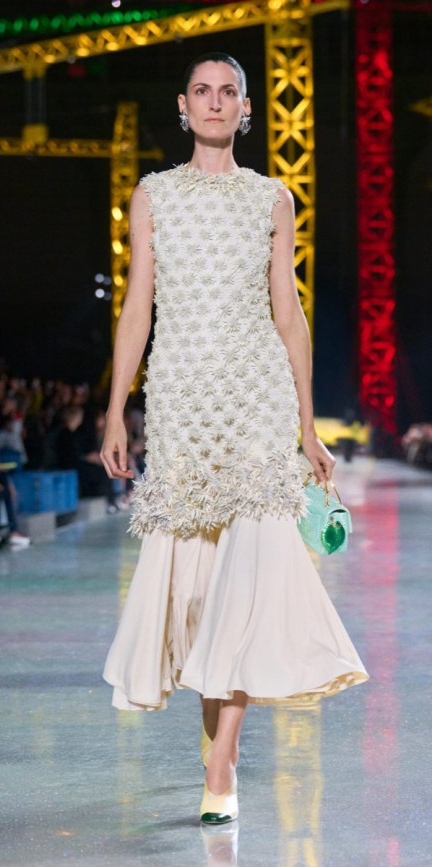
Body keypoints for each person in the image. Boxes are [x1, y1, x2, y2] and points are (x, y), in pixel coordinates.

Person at [99, 53, 366, 826]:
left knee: (250, 571)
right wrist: (116, 409)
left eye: (228, 93)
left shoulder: (272, 198)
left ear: (246, 109)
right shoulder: (153, 195)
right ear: (184, 107)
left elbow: (288, 311)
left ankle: (224, 760)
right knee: (200, 587)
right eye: (202, 92)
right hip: (182, 397)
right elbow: (138, 305)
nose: (215, 103)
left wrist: (306, 425)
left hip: (256, 397)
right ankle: (214, 731)